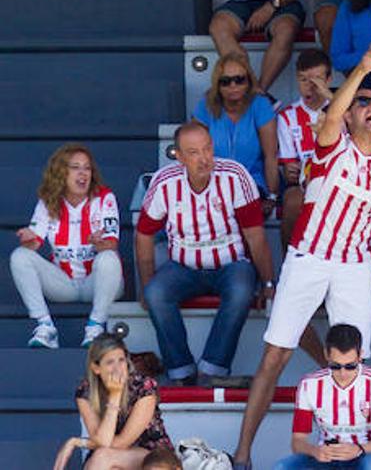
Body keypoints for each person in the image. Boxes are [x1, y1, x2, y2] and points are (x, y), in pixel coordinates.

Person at [232, 47, 371, 468]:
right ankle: (242, 453)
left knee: (354, 364)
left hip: (354, 266)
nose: (370, 109)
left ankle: (355, 456)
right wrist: (361, 70)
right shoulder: (331, 146)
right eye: (361, 103)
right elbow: (330, 116)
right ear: (346, 114)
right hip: (309, 256)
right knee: (275, 355)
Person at [137, 122, 274, 385]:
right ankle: (180, 371)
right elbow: (144, 235)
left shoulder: (235, 175)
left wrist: (268, 282)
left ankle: (213, 370)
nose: (204, 159)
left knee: (241, 289)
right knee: (156, 293)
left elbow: (255, 235)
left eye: (207, 149)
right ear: (178, 156)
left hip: (231, 263)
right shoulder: (164, 183)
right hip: (183, 266)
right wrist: (145, 284)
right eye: (194, 153)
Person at [12, 144, 122, 348]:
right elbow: (35, 242)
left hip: (97, 283)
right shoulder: (49, 201)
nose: (83, 173)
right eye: (75, 167)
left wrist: (100, 244)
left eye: (87, 168)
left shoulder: (104, 198)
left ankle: (95, 327)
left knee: (108, 259)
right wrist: (28, 239)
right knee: (19, 256)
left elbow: (111, 245)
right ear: (61, 172)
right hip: (64, 284)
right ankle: (45, 326)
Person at [280, 323, 371, 470]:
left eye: (350, 366)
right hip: (325, 456)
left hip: (363, 454)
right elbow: (298, 441)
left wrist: (359, 449)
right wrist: (315, 451)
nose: (343, 373)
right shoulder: (309, 384)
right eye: (335, 366)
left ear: (360, 355)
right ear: (326, 355)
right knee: (282, 467)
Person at [52, 334, 172, 470]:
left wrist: (76, 442)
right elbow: (102, 441)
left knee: (102, 458)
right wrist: (115, 396)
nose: (118, 368)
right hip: (108, 453)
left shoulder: (144, 387)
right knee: (104, 460)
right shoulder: (86, 391)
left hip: (153, 457)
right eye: (110, 362)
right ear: (96, 368)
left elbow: (122, 443)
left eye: (121, 360)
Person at [194, 52, 277, 195]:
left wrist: (272, 196)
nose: (233, 85)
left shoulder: (260, 105)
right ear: (217, 85)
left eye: (239, 80)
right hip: (214, 184)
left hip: (252, 183)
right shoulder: (205, 106)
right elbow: (194, 152)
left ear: (249, 82)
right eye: (226, 81)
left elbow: (271, 156)